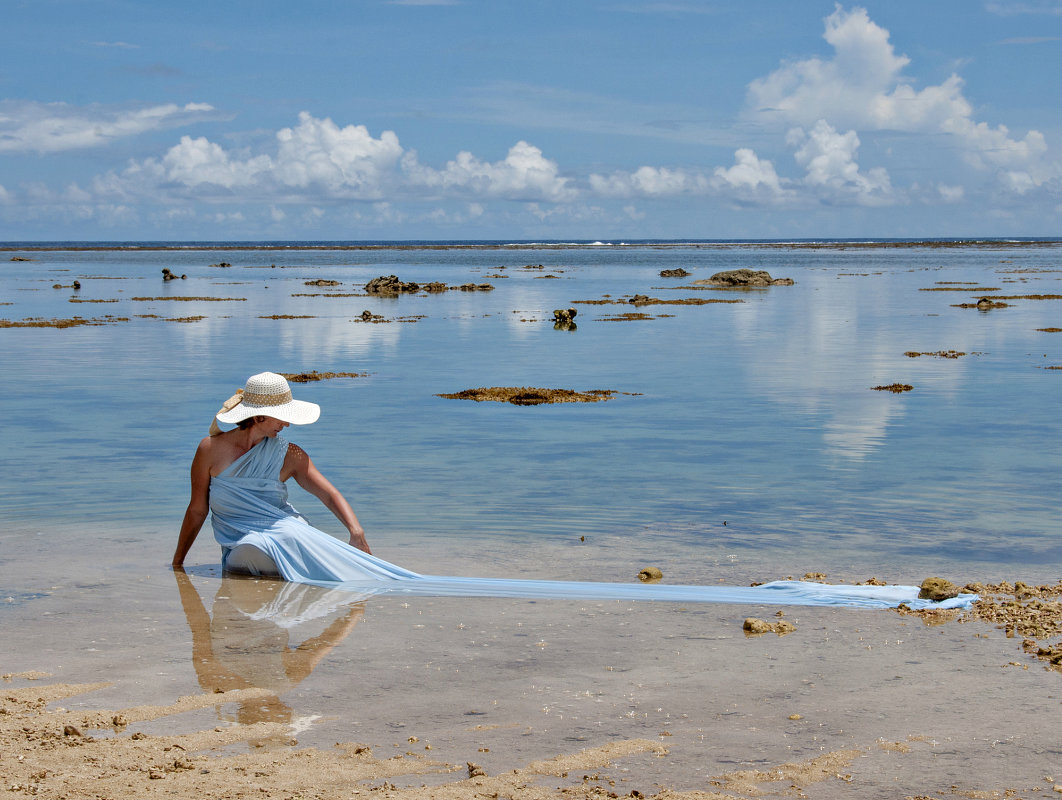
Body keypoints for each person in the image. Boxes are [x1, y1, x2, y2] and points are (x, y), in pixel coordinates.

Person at [172, 371, 375, 577]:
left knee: (289, 533)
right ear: (260, 415)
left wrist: (356, 531)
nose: (287, 424)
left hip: (288, 533)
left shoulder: (289, 454)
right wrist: (177, 564)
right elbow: (197, 510)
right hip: (243, 546)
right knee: (251, 550)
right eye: (283, 416)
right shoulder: (209, 449)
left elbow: (328, 494)